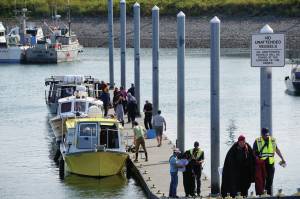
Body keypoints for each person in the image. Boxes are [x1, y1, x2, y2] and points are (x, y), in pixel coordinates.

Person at [253, 128, 286, 195]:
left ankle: (269, 195)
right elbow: (253, 153)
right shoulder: (257, 141)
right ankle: (262, 195)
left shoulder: (272, 140)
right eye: (264, 135)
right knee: (262, 182)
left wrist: (282, 158)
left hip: (270, 164)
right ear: (261, 134)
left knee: (269, 182)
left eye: (267, 135)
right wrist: (256, 159)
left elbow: (276, 149)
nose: (266, 136)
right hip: (262, 164)